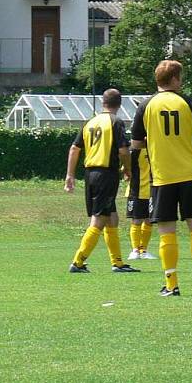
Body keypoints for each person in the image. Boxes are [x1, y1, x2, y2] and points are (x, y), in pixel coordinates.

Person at [131, 60, 192, 297]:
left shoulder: (145, 105)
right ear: (175, 79)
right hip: (189, 173)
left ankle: (171, 284)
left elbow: (136, 144)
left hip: (162, 176)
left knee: (167, 230)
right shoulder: (187, 102)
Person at [64, 88, 138, 273]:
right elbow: (123, 151)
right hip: (106, 174)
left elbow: (74, 148)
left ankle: (118, 263)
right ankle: (78, 261)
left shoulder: (91, 122)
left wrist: (70, 175)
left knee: (112, 217)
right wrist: (128, 168)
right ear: (119, 104)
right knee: (99, 220)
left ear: (103, 103)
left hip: (91, 174)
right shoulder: (116, 122)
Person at [126, 146, 156, 261]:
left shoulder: (155, 146)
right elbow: (125, 166)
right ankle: (135, 250)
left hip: (152, 190)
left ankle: (143, 250)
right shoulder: (134, 150)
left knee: (149, 221)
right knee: (136, 220)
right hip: (136, 190)